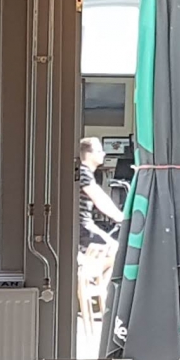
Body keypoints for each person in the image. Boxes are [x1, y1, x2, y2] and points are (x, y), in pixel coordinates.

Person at [76, 136, 124, 319]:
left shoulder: (83, 172)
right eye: (99, 150)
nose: (103, 154)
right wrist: (122, 217)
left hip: (83, 226)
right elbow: (100, 199)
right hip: (83, 226)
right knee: (117, 250)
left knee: (112, 250)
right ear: (88, 154)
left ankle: (92, 285)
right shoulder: (83, 172)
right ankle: (97, 291)